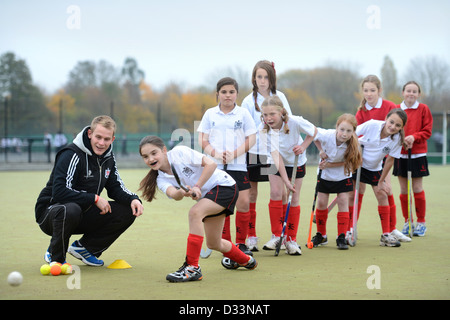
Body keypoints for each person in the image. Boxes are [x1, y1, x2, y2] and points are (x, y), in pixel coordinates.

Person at [138, 136, 257, 283]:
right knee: (214, 243)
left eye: (154, 153)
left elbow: (211, 164)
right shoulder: (160, 179)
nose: (150, 159)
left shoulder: (180, 152)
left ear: (164, 150)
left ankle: (192, 267)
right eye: (145, 157)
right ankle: (246, 261)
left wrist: (197, 186)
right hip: (210, 196)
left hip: (224, 186)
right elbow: (174, 194)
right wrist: (182, 192)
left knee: (195, 212)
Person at [35, 115, 144, 267]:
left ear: (112, 139)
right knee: (71, 209)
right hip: (51, 213)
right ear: (90, 134)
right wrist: (95, 198)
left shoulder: (108, 157)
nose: (101, 143)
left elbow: (115, 187)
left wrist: (133, 198)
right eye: (98, 137)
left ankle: (85, 248)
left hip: (81, 213)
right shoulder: (71, 154)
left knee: (127, 209)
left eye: (106, 139)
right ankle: (56, 254)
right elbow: (59, 192)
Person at [197, 77, 257, 255]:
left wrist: (234, 154)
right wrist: (215, 153)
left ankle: (241, 243)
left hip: (238, 166)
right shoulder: (210, 114)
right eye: (224, 92)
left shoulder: (243, 114)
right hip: (215, 168)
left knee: (244, 202)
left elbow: (251, 138)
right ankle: (225, 243)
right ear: (218, 94)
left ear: (237, 94)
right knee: (221, 205)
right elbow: (202, 139)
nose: (228, 95)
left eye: (231, 92)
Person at [241, 60, 293, 252]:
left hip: (274, 153)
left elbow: (288, 120)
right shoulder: (247, 101)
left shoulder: (280, 97)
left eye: (266, 77)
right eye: (259, 77)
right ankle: (251, 237)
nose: (262, 81)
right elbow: (245, 128)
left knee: (278, 192)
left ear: (272, 79)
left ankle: (278, 235)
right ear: (254, 79)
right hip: (254, 153)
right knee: (251, 194)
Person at [259, 95, 317, 255]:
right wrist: (286, 180)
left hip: (297, 162)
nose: (268, 118)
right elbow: (276, 156)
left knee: (294, 197)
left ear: (281, 112)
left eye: (272, 114)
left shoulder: (295, 121)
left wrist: (303, 146)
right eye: (265, 115)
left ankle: (291, 239)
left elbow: (314, 131)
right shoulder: (262, 129)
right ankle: (277, 236)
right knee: (276, 192)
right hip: (274, 161)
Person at [354, 75, 405, 241]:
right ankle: (351, 229)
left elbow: (390, 158)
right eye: (366, 90)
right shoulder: (365, 116)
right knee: (355, 193)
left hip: (380, 160)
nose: (369, 94)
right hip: (361, 160)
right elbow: (354, 134)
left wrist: (383, 179)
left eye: (372, 90)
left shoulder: (391, 108)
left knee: (384, 192)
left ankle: (389, 231)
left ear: (379, 90)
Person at [349, 108, 408, 247]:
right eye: (391, 122)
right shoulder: (372, 124)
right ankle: (349, 230)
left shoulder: (398, 139)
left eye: (398, 125)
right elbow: (352, 134)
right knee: (352, 196)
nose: (393, 127)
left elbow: (389, 161)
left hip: (374, 168)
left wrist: (381, 181)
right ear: (386, 119)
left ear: (401, 128)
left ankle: (386, 235)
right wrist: (357, 154)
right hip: (358, 164)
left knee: (382, 196)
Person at [312, 114, 362, 249]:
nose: (344, 134)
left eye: (349, 131)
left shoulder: (353, 144)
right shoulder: (327, 135)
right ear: (337, 127)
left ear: (353, 132)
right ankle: (321, 235)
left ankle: (341, 236)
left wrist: (330, 165)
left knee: (343, 201)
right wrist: (321, 150)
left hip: (343, 175)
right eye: (342, 129)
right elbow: (313, 134)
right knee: (322, 202)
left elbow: (349, 163)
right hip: (324, 175)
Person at [393, 81, 433, 237]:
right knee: (404, 190)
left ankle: (421, 222)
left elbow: (427, 131)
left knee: (417, 188)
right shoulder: (396, 109)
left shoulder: (423, 109)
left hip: (417, 154)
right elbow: (391, 128)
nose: (411, 94)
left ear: (418, 94)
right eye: (408, 90)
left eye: (414, 91)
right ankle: (407, 221)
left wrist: (413, 137)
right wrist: (402, 139)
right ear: (403, 92)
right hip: (400, 154)